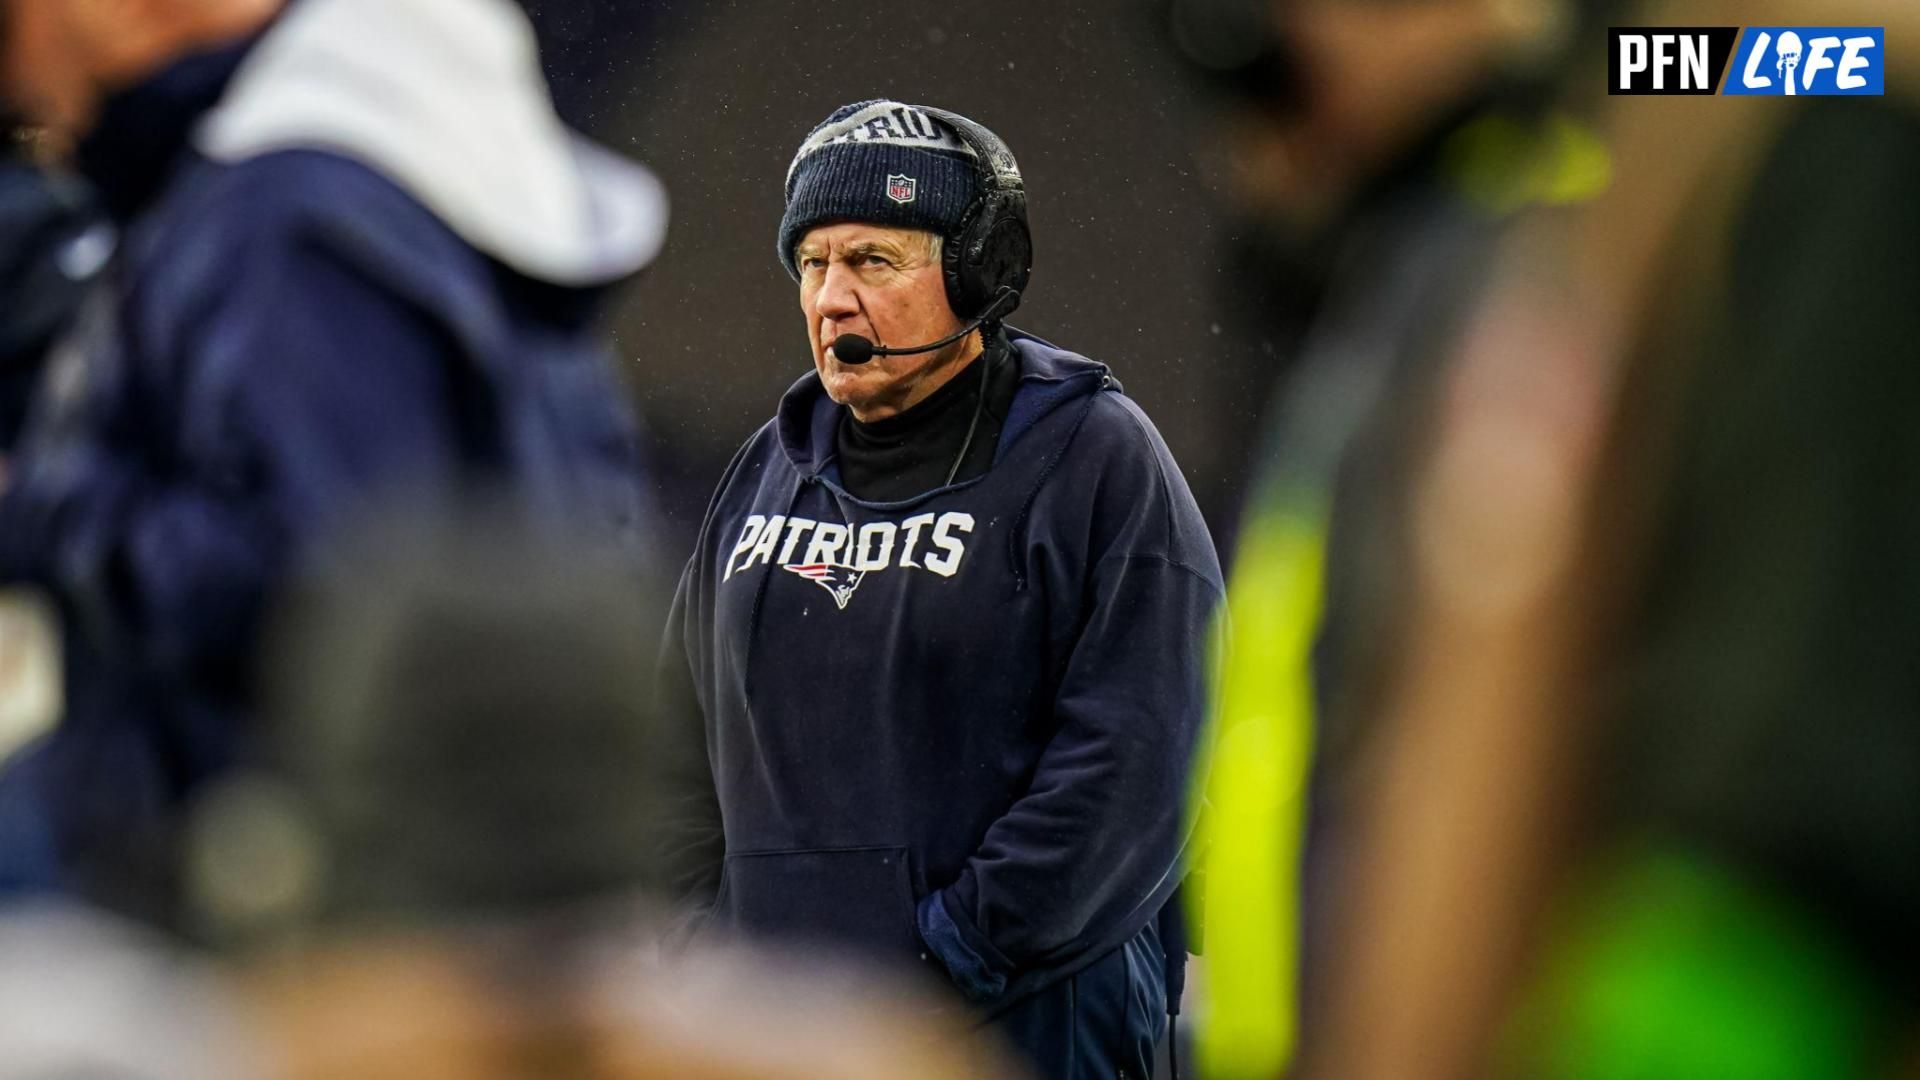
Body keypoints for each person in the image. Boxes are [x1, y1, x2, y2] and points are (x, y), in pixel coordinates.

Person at [0, 0, 665, 917]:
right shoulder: (393, 154)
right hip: (471, 897)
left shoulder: (293, 214)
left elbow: (341, 600)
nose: (18, 82)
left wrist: (52, 505)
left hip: (325, 934)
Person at [658, 99, 1224, 1078]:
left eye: (873, 260)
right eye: (813, 264)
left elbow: (1139, 757)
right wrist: (707, 971)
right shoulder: (765, 474)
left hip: (1029, 1039)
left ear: (979, 274)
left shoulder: (1093, 456)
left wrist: (943, 958)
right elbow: (671, 754)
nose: (832, 298)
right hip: (774, 1047)